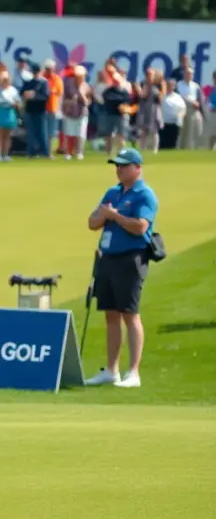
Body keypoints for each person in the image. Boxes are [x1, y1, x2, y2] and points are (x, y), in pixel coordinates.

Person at [85, 148, 158, 389]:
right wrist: (106, 216)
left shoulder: (144, 195)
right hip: (108, 257)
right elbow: (92, 222)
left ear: (137, 168)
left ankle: (133, 372)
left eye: (124, 166)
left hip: (131, 258)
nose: (118, 170)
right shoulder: (112, 192)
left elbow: (140, 227)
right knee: (111, 314)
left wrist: (114, 216)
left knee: (130, 314)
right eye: (117, 166)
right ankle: (111, 370)